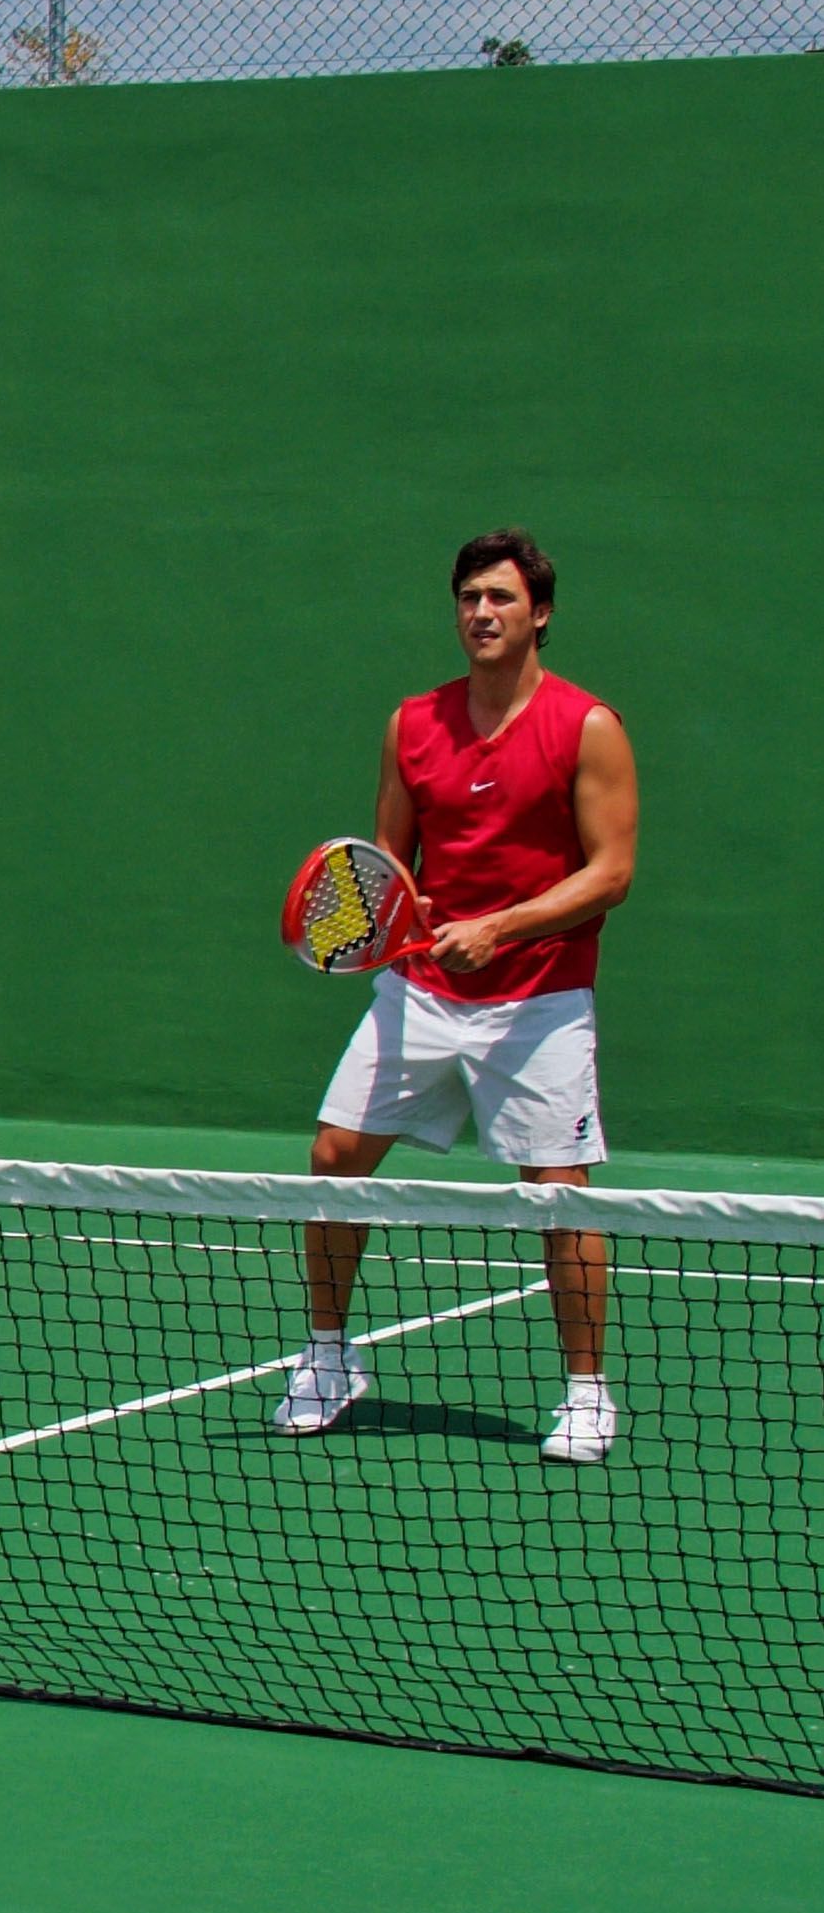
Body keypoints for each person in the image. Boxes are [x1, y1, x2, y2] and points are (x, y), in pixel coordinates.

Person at [275, 530, 635, 1462]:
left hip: (539, 997)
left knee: (559, 1198)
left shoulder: (587, 726)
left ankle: (589, 1394)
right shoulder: (413, 724)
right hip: (422, 990)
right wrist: (407, 909)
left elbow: (611, 874)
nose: (481, 613)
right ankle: (326, 1357)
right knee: (332, 1153)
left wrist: (500, 929)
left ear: (539, 614)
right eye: (469, 597)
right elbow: (387, 862)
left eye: (501, 599)